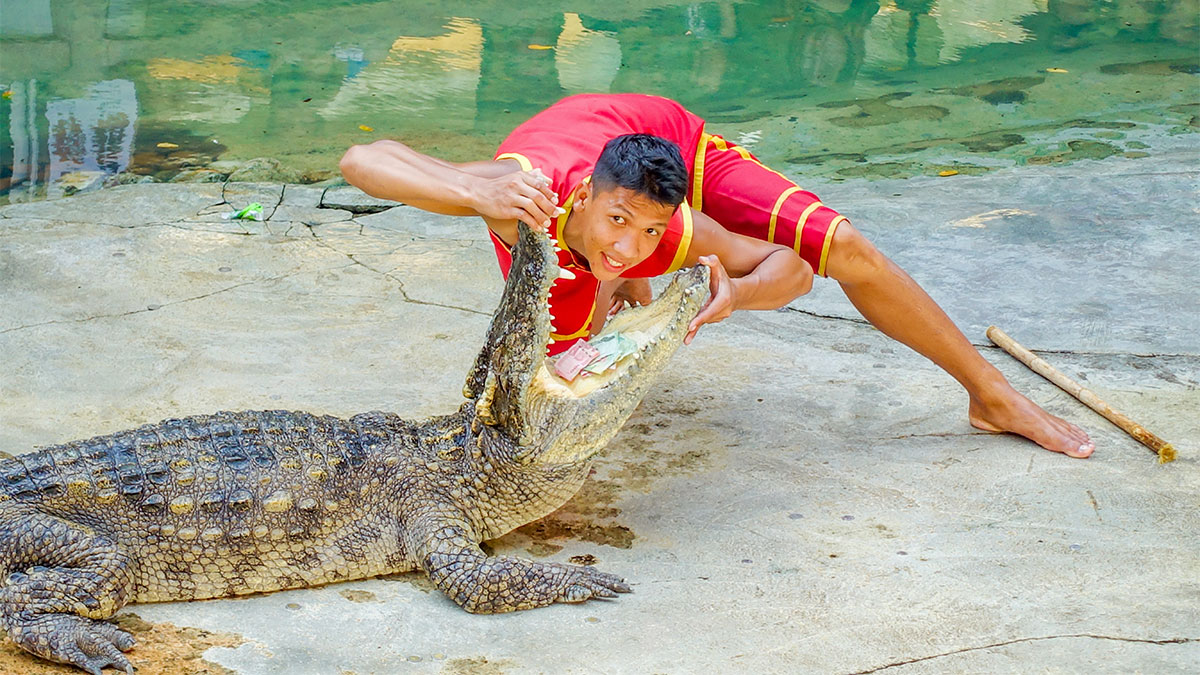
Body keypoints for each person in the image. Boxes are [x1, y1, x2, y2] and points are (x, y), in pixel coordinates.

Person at [340, 93, 1093, 458]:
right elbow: (362, 160)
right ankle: (602, 282)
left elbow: (791, 268)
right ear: (588, 199)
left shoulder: (673, 233)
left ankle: (989, 394)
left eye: (649, 235)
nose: (632, 244)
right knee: (562, 363)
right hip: (550, 177)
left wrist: (739, 293)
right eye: (617, 223)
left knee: (845, 244)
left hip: (669, 137)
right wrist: (473, 191)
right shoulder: (522, 195)